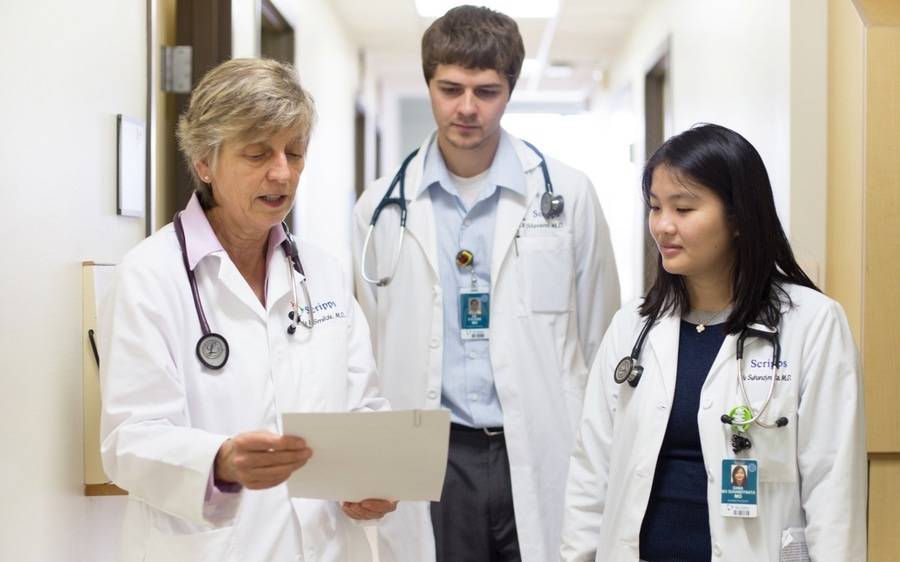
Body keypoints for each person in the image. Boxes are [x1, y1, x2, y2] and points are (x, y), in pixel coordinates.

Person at [99, 58, 395, 562]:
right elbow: (129, 441)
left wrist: (374, 481)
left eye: (295, 153)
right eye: (258, 153)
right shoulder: (148, 276)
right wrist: (219, 461)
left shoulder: (321, 273)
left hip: (326, 547)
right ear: (204, 163)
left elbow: (363, 409)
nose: (282, 173)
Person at [352, 6, 620, 562]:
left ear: (510, 90)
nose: (467, 108)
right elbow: (367, 358)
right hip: (435, 451)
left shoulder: (568, 197)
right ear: (428, 83)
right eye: (450, 88)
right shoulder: (379, 210)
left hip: (541, 441)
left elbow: (602, 340)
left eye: (486, 91)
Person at [561, 124, 866, 561]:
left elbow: (834, 488)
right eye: (654, 207)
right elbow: (591, 473)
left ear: (739, 217)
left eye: (684, 208)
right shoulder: (632, 327)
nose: (662, 226)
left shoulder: (812, 325)